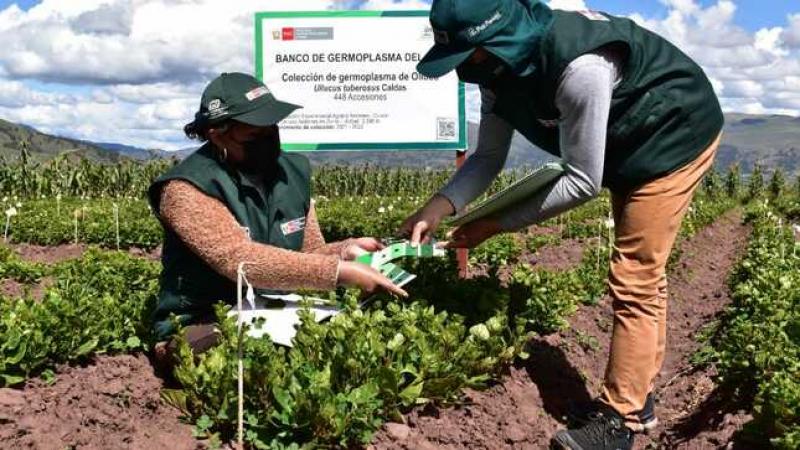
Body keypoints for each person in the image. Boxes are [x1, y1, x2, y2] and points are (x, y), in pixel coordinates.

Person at [399, 1, 723, 449]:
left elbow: (583, 181)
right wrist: (437, 207)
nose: (465, 69)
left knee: (635, 274)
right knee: (643, 275)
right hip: (623, 143)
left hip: (672, 135)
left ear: (496, 40)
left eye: (468, 55)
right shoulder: (495, 71)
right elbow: (489, 156)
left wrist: (495, 224)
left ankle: (621, 422)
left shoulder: (580, 67)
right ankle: (640, 394)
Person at [150, 72, 406, 366]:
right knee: (257, 356)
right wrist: (339, 272)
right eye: (254, 134)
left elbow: (308, 254)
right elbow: (238, 260)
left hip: (273, 308)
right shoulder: (186, 187)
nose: (269, 136)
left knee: (350, 345)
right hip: (202, 322)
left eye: (272, 126)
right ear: (217, 133)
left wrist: (343, 251)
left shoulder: (291, 172)